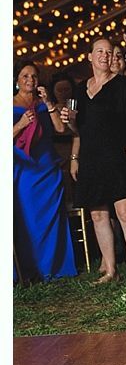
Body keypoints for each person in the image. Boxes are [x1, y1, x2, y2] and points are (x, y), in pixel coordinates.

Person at [60, 37, 126, 286]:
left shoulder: (121, 85)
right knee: (98, 215)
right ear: (90, 57)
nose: (105, 56)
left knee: (125, 212)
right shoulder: (79, 89)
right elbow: (77, 129)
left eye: (109, 52)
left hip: (117, 156)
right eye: (100, 51)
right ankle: (110, 270)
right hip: (91, 158)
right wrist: (70, 120)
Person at [13, 61, 77, 282]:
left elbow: (61, 129)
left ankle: (55, 267)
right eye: (25, 76)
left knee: (51, 218)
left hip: (48, 168)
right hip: (25, 170)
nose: (30, 80)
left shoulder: (43, 103)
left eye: (33, 76)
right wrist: (20, 124)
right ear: (16, 80)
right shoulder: (9, 104)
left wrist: (49, 103)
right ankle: (31, 270)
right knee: (28, 219)